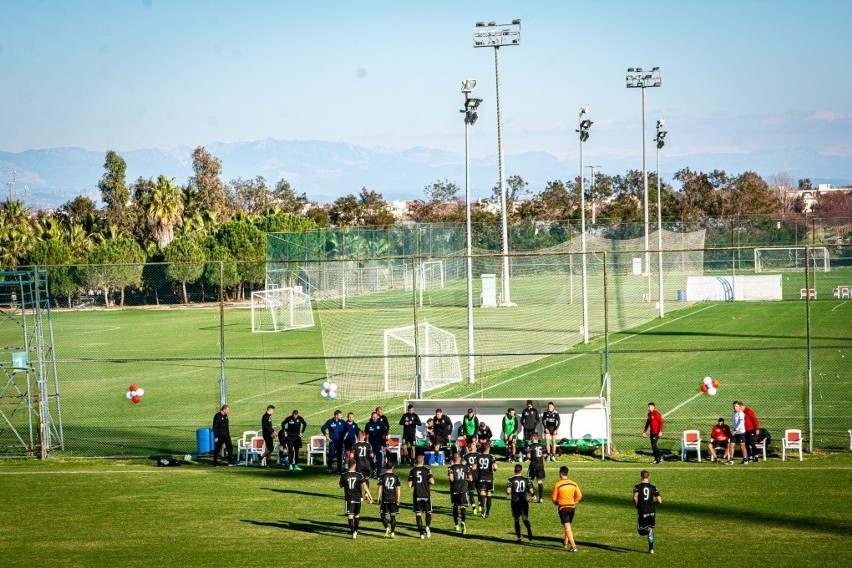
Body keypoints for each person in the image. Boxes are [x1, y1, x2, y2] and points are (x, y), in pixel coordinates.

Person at [551, 465, 583, 552]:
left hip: (563, 508)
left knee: (567, 527)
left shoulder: (557, 484)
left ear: (561, 473)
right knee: (568, 525)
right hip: (572, 508)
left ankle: (573, 546)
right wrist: (574, 501)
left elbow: (553, 498)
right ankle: (565, 542)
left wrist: (556, 503)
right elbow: (579, 496)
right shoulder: (573, 483)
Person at [340, 459, 373, 539]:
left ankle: (353, 532)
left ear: (348, 465)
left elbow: (341, 485)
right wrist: (369, 495)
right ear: (355, 465)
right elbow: (364, 485)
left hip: (349, 499)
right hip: (358, 498)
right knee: (357, 515)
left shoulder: (344, 475)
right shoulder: (359, 475)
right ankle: (356, 530)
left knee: (350, 516)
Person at [633, 469, 662, 554]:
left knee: (641, 530)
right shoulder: (653, 487)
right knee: (650, 529)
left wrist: (636, 506)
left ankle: (646, 531)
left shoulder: (637, 487)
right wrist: (653, 504)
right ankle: (651, 549)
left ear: (641, 477)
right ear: (648, 477)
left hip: (643, 510)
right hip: (652, 511)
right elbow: (660, 501)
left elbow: (635, 497)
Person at [408, 454, 435, 539]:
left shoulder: (412, 471)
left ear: (416, 461)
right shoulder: (428, 470)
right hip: (426, 494)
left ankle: (421, 534)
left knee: (418, 514)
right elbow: (432, 482)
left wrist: (414, 483)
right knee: (428, 512)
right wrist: (428, 482)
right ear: (423, 461)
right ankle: (427, 526)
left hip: (417, 494)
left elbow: (409, 485)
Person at [507, 463, 535, 543]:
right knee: (525, 518)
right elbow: (531, 491)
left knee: (516, 520)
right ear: (521, 471)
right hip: (524, 502)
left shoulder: (511, 480)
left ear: (514, 471)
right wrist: (532, 495)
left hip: (515, 502)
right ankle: (529, 529)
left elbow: (508, 492)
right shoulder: (526, 479)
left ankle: (519, 538)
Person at [447, 452, 472, 533]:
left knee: (455, 506)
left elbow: (451, 479)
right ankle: (463, 523)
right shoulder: (466, 468)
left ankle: (456, 525)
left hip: (454, 489)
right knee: (463, 506)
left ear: (454, 459)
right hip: (463, 489)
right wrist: (464, 479)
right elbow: (471, 479)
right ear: (460, 458)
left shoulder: (451, 468)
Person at [377, 462, 401, 538]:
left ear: (385, 467)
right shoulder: (396, 476)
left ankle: (387, 528)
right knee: (393, 516)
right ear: (393, 467)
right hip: (393, 499)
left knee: (382, 515)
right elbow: (398, 489)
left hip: (385, 498)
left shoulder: (382, 476)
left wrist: (378, 497)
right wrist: (398, 498)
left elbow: (380, 488)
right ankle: (393, 532)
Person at [475, 443, 497, 518]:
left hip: (481, 477)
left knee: (482, 493)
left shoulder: (478, 456)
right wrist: (494, 468)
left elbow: (474, 467)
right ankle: (487, 512)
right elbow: (495, 467)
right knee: (489, 493)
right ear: (488, 448)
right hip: (489, 478)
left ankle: (483, 511)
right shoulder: (491, 457)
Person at [321, 409, 346, 474]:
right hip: (332, 442)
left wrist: (345, 436)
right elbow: (323, 428)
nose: (341, 416)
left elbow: (347, 429)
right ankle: (329, 468)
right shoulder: (330, 421)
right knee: (331, 455)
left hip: (340, 442)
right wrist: (327, 437)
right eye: (340, 415)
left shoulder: (343, 422)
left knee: (339, 455)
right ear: (336, 415)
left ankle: (339, 470)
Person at [365, 411, 388, 477]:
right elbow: (366, 435)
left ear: (377, 417)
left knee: (379, 458)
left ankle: (378, 474)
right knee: (370, 458)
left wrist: (384, 445)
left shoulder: (381, 424)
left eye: (375, 417)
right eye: (373, 417)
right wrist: (366, 443)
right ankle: (373, 469)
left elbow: (384, 435)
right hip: (371, 444)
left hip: (378, 444)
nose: (374, 418)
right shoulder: (368, 425)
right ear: (371, 417)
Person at [525, 432, 546, 503]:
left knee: (528, 480)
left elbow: (528, 456)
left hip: (533, 465)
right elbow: (545, 454)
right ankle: (541, 498)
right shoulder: (542, 446)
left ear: (533, 438)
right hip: (540, 465)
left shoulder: (530, 446)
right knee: (540, 482)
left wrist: (527, 458)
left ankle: (533, 495)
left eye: (532, 437)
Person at [464, 442, 481, 514]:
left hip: (470, 476)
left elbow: (464, 466)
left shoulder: (466, 456)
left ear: (469, 448)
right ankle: (480, 505)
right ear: (475, 448)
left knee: (471, 493)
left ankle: (474, 508)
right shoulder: (479, 455)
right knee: (479, 491)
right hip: (478, 475)